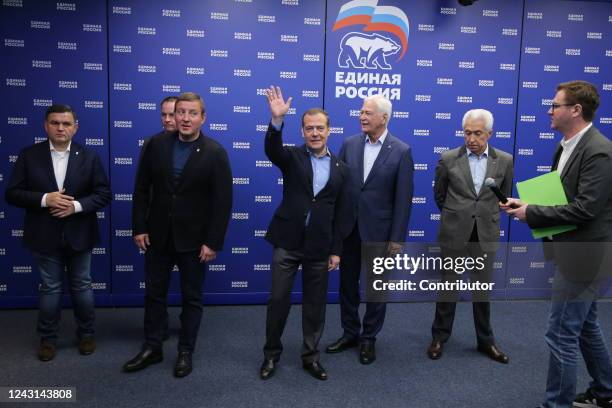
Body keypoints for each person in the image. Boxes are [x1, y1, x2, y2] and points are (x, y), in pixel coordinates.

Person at [503, 80, 612, 408]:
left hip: (585, 257)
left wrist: (531, 213)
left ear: (575, 110)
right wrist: (523, 204)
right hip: (574, 252)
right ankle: (606, 391)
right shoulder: (566, 145)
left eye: (555, 105)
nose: (550, 111)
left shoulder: (599, 150)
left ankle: (556, 405)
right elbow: (563, 198)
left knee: (562, 333)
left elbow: (585, 209)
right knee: (586, 325)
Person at [123, 92, 233, 378]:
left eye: (191, 113)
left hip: (195, 240)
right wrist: (139, 227)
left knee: (191, 297)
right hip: (157, 235)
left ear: (203, 117)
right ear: (173, 114)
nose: (184, 118)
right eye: (180, 112)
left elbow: (222, 202)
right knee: (154, 294)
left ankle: (186, 351)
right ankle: (153, 347)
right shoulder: (156, 145)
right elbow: (141, 189)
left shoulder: (215, 152)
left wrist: (212, 241)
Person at [5, 104, 111, 361]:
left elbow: (103, 194)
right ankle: (48, 339)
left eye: (66, 123)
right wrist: (45, 199)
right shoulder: (29, 155)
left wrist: (75, 206)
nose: (61, 128)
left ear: (75, 127)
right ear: (46, 126)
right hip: (44, 234)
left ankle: (86, 334)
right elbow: (12, 193)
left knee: (82, 286)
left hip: (80, 233)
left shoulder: (89, 156)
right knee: (50, 289)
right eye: (55, 123)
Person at [259, 86, 350, 381]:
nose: (314, 133)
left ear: (329, 131)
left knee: (315, 306)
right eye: (309, 128)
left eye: (319, 128)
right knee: (278, 301)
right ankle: (271, 355)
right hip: (287, 242)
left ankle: (311, 357)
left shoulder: (341, 169)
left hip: (320, 248)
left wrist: (336, 250)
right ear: (301, 132)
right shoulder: (290, 157)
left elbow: (341, 215)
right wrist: (276, 122)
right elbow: (271, 149)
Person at [326, 94, 414, 364]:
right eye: (361, 111)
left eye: (367, 113)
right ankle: (350, 332)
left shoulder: (401, 151)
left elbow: (403, 199)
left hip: (380, 233)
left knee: (377, 289)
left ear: (384, 118)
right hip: (349, 230)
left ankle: (368, 338)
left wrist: (396, 238)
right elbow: (339, 187)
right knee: (347, 286)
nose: (361, 116)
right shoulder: (349, 144)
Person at [427, 109, 513, 364]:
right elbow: (440, 196)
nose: (472, 138)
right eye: (467, 132)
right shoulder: (448, 158)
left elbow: (503, 197)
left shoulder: (505, 160)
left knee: (482, 291)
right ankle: (439, 337)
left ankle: (486, 341)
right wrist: (458, 215)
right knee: (448, 287)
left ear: (489, 134)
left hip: (485, 233)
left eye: (477, 133)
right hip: (455, 231)